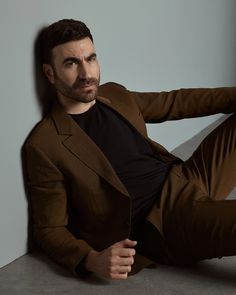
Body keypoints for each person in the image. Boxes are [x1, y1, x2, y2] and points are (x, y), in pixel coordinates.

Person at [24, 18, 236, 280]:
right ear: (49, 73)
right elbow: (49, 228)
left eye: (91, 59)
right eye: (71, 63)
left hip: (185, 176)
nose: (87, 73)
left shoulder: (114, 95)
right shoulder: (46, 144)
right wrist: (90, 260)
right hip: (163, 221)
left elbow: (175, 102)